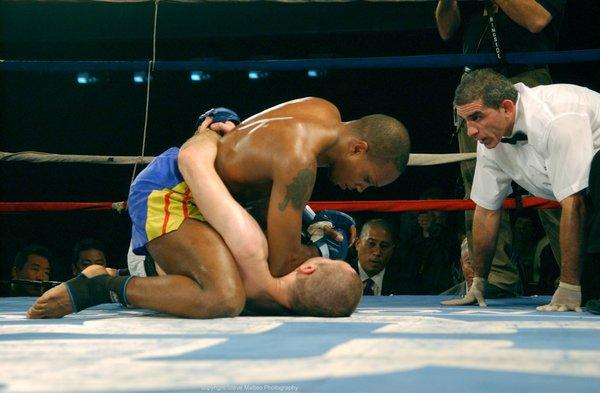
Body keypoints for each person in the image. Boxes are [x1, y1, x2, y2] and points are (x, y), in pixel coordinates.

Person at [28, 97, 410, 318]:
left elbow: (247, 141)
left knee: (243, 259)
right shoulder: (300, 164)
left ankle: (120, 271)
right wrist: (321, 250)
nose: (359, 189)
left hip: (209, 189)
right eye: (368, 180)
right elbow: (281, 265)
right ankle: (102, 287)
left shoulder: (322, 109)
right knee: (224, 297)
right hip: (174, 190)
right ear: (358, 148)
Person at [435, 0, 566, 299]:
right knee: (478, 182)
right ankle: (495, 277)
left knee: (554, 177)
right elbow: (445, 30)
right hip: (474, 83)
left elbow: (537, 19)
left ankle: (575, 274)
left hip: (527, 78)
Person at [442, 68, 600, 312]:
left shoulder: (557, 119)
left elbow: (574, 203)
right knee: (591, 293)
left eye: (477, 117)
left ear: (506, 108)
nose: (471, 131)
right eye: (466, 121)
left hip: (592, 191)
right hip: (591, 198)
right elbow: (486, 210)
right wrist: (479, 282)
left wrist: (569, 286)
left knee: (585, 291)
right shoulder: (490, 139)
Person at [349, 218, 399, 296]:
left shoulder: (404, 283)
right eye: (371, 244)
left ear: (392, 250)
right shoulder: (339, 276)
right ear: (357, 244)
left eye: (384, 246)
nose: (377, 252)